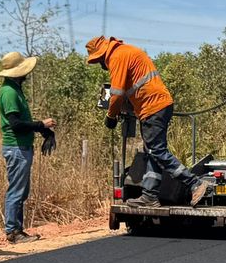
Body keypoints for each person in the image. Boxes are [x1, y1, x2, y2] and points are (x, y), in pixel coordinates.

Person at [86, 36, 208, 207]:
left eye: (99, 60)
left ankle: (194, 183)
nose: (101, 65)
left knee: (157, 151)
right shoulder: (126, 51)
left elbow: (117, 93)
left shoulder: (117, 56)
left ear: (102, 54)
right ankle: (149, 196)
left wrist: (111, 116)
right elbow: (133, 88)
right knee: (151, 153)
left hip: (153, 107)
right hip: (155, 106)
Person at [0, 50, 54, 244]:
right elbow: (16, 124)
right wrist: (41, 125)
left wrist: (45, 132)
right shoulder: (9, 92)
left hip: (22, 147)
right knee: (16, 191)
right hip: (17, 148)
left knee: (21, 190)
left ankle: (17, 229)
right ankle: (12, 231)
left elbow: (22, 122)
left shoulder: (14, 89)